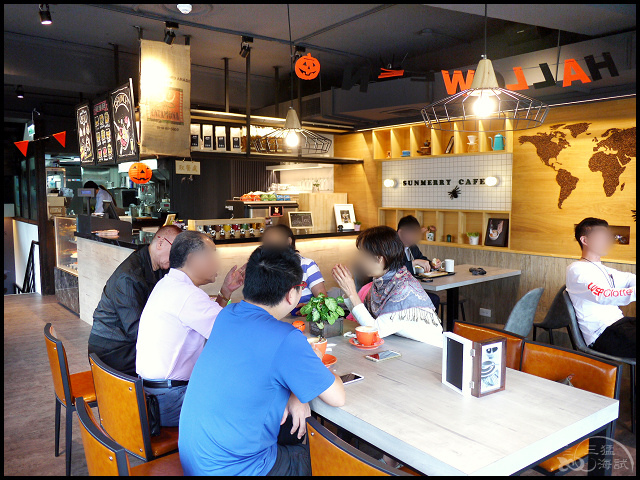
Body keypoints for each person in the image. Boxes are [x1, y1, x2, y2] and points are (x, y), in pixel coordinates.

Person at [179, 246, 345, 476]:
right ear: (292, 294)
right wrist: (315, 365)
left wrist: (296, 393)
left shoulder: (227, 315)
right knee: (333, 460)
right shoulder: (285, 338)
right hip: (240, 469)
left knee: (290, 431)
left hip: (197, 461)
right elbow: (337, 397)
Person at [135, 231, 246, 426]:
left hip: (152, 394)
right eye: (211, 255)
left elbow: (214, 324)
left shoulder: (168, 284)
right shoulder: (187, 295)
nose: (217, 263)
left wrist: (225, 292)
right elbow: (233, 334)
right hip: (169, 399)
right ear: (193, 259)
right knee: (249, 401)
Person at [88, 225, 181, 376]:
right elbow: (136, 330)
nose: (177, 258)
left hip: (125, 344)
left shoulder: (158, 266)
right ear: (160, 243)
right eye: (175, 251)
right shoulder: (129, 277)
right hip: (111, 350)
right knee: (172, 362)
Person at [333, 225, 443, 346]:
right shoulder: (383, 282)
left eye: (363, 254)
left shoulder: (403, 288)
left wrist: (351, 292)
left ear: (379, 259)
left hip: (430, 351)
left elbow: (375, 331)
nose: (359, 259)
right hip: (404, 345)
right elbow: (365, 318)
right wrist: (348, 291)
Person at [566, 217, 635, 358]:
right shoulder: (576, 270)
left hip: (619, 324)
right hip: (602, 334)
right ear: (585, 240)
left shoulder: (603, 268)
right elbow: (602, 295)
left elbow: (630, 278)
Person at [262, 224, 327, 313]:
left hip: (304, 319)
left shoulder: (307, 265)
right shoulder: (266, 269)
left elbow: (323, 299)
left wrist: (310, 308)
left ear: (288, 241)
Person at [396, 215, 442, 311]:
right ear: (400, 232)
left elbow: (422, 259)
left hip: (410, 288)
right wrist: (414, 262)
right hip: (397, 292)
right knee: (433, 299)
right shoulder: (391, 247)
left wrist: (432, 264)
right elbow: (394, 270)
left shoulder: (412, 246)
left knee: (434, 299)